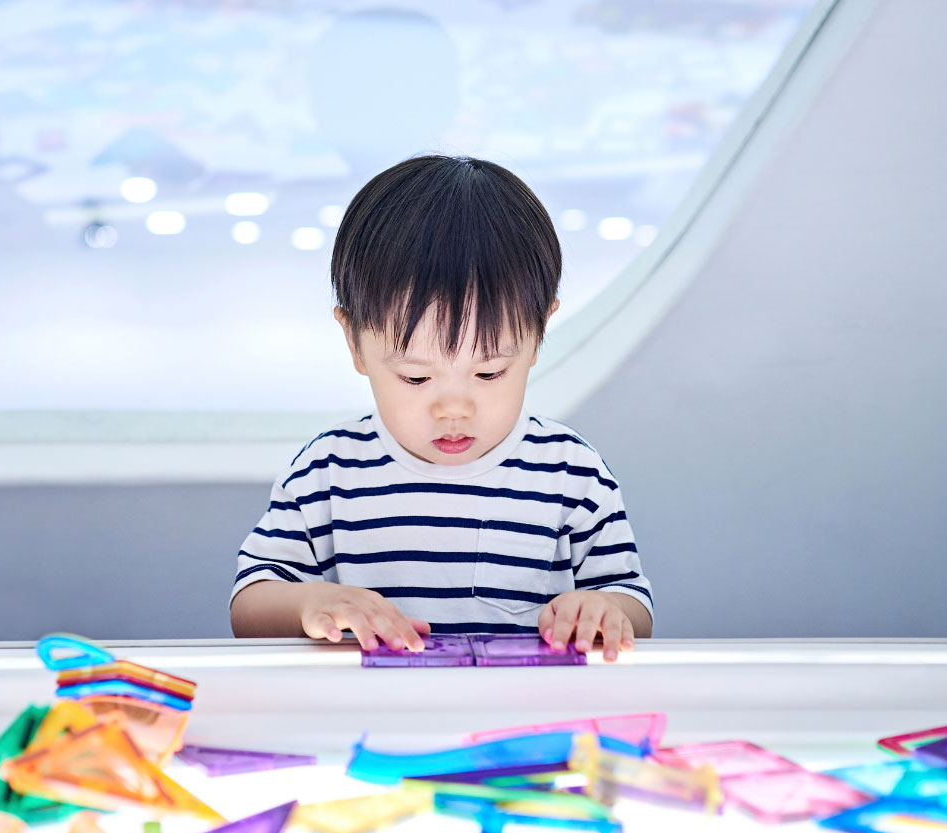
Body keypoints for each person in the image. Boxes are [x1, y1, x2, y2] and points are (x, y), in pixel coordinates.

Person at [230, 156, 652, 662]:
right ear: (354, 342)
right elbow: (249, 604)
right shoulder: (328, 471)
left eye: (490, 372)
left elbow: (633, 603)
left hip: (529, 722)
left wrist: (603, 609)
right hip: (378, 718)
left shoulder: (569, 471)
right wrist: (311, 601)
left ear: (539, 334)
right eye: (416, 377)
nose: (453, 408)